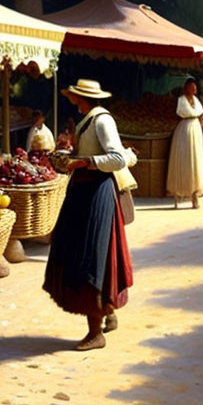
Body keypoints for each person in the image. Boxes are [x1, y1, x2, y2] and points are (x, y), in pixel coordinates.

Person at [43, 79, 134, 351]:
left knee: (91, 257)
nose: (73, 99)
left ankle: (96, 333)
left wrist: (84, 162)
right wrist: (71, 155)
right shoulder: (88, 119)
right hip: (84, 192)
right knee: (96, 254)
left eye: (75, 96)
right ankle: (108, 312)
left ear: (82, 97)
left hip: (96, 194)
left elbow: (117, 158)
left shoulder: (102, 121)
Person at [166, 77, 203, 208]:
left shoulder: (196, 100)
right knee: (184, 159)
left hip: (195, 128)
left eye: (195, 87)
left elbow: (199, 112)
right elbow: (183, 112)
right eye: (191, 87)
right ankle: (179, 193)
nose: (194, 90)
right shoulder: (181, 100)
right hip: (185, 129)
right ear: (186, 88)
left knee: (196, 159)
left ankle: (195, 195)